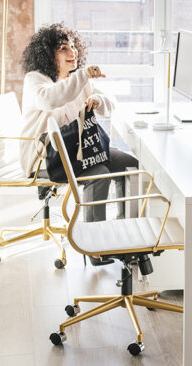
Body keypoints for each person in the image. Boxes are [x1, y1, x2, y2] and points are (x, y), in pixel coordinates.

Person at [19, 23, 138, 224]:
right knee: (99, 174)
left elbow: (111, 105)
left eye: (73, 46)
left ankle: (124, 227)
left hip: (80, 151)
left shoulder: (78, 80)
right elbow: (50, 99)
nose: (72, 51)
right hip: (45, 155)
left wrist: (98, 101)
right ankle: (94, 245)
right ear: (48, 54)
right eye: (63, 48)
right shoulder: (35, 80)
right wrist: (84, 75)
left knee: (130, 165)